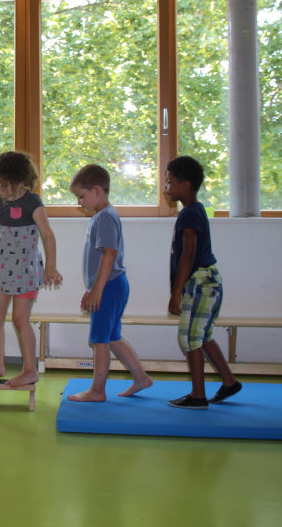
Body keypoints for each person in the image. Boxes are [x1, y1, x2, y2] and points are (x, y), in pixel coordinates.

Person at [66, 164, 153, 402]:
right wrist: (91, 289)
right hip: (113, 284)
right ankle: (141, 377)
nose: (79, 202)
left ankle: (97, 390)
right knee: (112, 335)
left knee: (100, 339)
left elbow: (109, 255)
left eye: (81, 196)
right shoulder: (104, 215)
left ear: (96, 190)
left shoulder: (104, 217)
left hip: (110, 286)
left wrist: (98, 290)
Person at [0, 151, 62, 388]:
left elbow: (48, 235)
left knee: (20, 319)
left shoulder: (32, 202)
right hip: (1, 269)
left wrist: (51, 267)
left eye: (2, 183)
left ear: (19, 181)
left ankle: (29, 370)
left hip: (26, 270)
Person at [165, 156, 241, 409]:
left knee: (189, 338)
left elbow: (188, 254)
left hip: (201, 282)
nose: (166, 187)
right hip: (207, 281)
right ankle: (229, 382)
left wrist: (176, 294)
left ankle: (198, 395)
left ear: (185, 185)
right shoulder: (193, 211)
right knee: (203, 336)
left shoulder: (189, 213)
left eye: (169, 182)